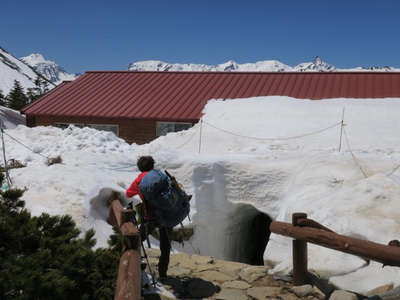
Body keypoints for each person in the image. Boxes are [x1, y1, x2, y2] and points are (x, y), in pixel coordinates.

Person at [126, 156, 171, 279]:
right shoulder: (161, 176)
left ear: (140, 168)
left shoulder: (140, 179)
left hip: (150, 216)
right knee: (165, 246)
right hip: (166, 214)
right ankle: (163, 273)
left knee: (138, 239)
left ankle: (130, 262)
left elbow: (128, 193)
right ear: (152, 165)